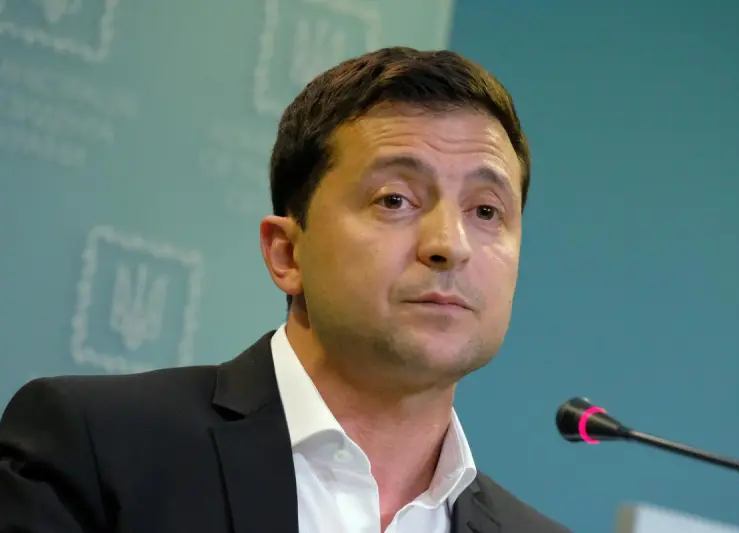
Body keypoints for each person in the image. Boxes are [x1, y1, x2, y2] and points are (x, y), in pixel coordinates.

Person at [0, 47, 571, 533]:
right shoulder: (97, 451)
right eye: (395, 199)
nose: (449, 244)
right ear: (287, 253)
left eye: (486, 211)